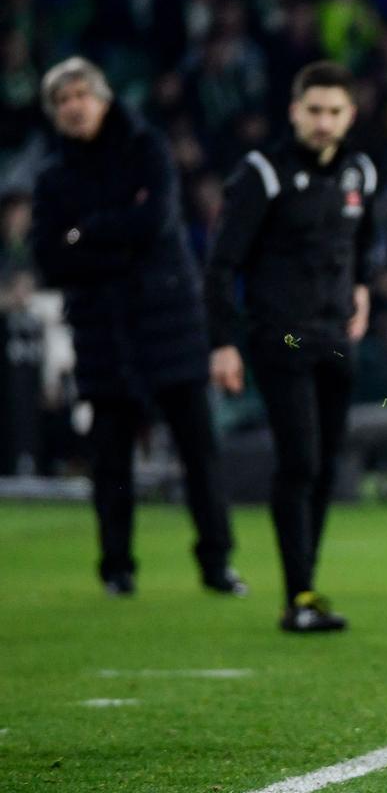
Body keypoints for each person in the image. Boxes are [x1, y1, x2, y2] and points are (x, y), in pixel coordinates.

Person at [31, 57, 245, 598]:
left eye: (81, 95)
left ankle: (217, 563)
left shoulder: (147, 149)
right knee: (111, 458)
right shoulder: (51, 176)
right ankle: (117, 567)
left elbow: (154, 224)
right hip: (103, 330)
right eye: (63, 100)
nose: (74, 107)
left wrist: (86, 234)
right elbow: (48, 260)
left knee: (199, 451)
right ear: (55, 114)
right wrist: (110, 235)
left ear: (102, 99)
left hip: (167, 321)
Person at [206, 61, 375, 633]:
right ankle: (297, 596)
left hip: (333, 336)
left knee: (326, 464)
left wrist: (362, 289)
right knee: (300, 460)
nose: (324, 122)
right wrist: (224, 343)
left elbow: (365, 241)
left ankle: (306, 587)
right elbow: (222, 262)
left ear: (349, 115)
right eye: (314, 111)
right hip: (280, 333)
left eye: (334, 112)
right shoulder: (262, 173)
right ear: (294, 112)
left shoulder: (358, 171)